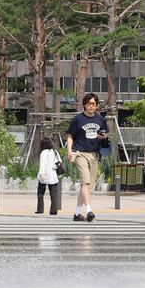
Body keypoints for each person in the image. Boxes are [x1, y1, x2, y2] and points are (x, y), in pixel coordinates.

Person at [66, 93, 109, 222]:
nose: (92, 106)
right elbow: (70, 136)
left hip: (94, 154)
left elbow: (104, 134)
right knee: (86, 182)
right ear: (84, 105)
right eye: (89, 103)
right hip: (80, 153)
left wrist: (103, 136)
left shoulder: (100, 119)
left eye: (94, 104)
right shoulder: (78, 119)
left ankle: (77, 213)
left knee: (88, 186)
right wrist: (69, 151)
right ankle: (89, 210)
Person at [36, 136, 61, 215]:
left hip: (45, 175)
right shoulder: (54, 151)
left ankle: (40, 209)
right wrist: (55, 166)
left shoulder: (44, 152)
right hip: (53, 175)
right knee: (53, 194)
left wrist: (42, 173)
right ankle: (54, 210)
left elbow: (43, 163)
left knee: (40, 193)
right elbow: (59, 161)